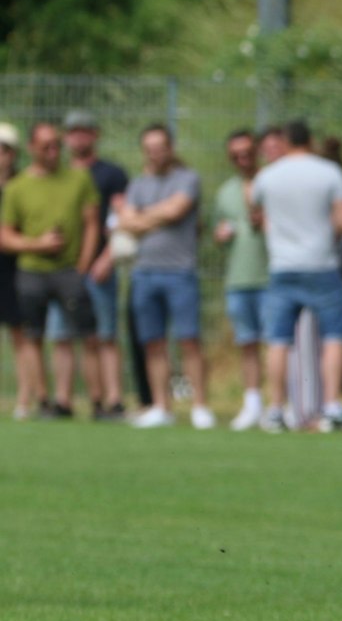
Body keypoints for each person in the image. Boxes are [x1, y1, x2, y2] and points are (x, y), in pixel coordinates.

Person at [251, 120, 342, 432]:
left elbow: (254, 208)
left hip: (282, 266)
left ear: (285, 140)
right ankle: (333, 405)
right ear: (310, 140)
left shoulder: (268, 176)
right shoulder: (328, 172)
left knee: (278, 340)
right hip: (321, 265)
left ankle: (275, 408)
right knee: (334, 337)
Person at [0, 122, 101, 420]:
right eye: (46, 146)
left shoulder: (79, 179)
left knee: (88, 335)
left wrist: (83, 264)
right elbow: (5, 235)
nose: (53, 151)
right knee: (32, 336)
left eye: (57, 144)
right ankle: (44, 401)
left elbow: (92, 222)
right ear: (32, 148)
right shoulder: (18, 188)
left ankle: (98, 402)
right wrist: (38, 245)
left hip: (70, 271)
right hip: (31, 271)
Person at [121, 124, 213, 429]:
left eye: (160, 147)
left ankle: (200, 406)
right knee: (153, 343)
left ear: (170, 148)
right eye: (149, 149)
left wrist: (142, 215)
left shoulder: (188, 179)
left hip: (179, 272)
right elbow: (127, 223)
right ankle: (162, 406)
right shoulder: (138, 184)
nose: (155, 154)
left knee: (189, 340)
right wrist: (154, 214)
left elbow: (177, 211)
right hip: (144, 273)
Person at [53, 111, 127, 420]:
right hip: (63, 269)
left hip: (99, 268)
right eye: (73, 132)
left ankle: (111, 401)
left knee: (103, 335)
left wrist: (107, 258)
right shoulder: (58, 175)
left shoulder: (111, 174)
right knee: (62, 336)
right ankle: (62, 402)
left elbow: (122, 218)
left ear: (95, 135)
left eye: (84, 131)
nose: (78, 137)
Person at [212, 130, 271, 430]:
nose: (243, 159)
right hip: (239, 280)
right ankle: (252, 404)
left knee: (276, 344)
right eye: (236, 155)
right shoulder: (225, 192)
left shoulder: (272, 184)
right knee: (247, 343)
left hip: (271, 278)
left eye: (247, 152)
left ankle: (278, 404)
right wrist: (220, 235)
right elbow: (216, 229)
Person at [0, 123, 28, 417]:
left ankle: (24, 399)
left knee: (20, 336)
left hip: (14, 268)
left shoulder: (22, 185)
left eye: (4, 150)